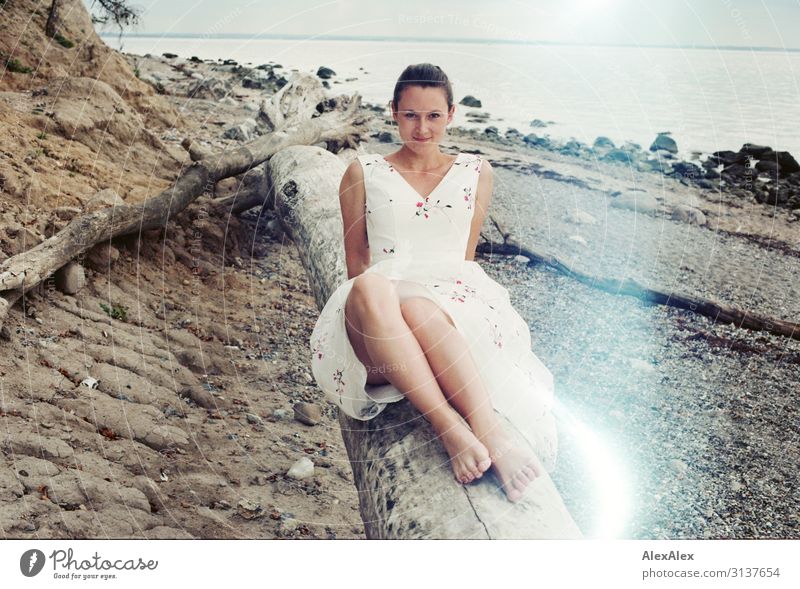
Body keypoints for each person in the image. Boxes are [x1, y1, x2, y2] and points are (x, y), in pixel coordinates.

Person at [309, 63, 557, 502]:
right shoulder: (362, 172)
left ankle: (489, 433)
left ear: (452, 114)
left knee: (422, 307)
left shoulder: (477, 172)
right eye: (410, 115)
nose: (421, 128)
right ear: (393, 113)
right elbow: (356, 264)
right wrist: (394, 302)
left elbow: (464, 260)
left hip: (447, 313)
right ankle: (449, 428)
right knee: (371, 287)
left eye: (433, 116)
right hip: (380, 323)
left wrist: (421, 303)